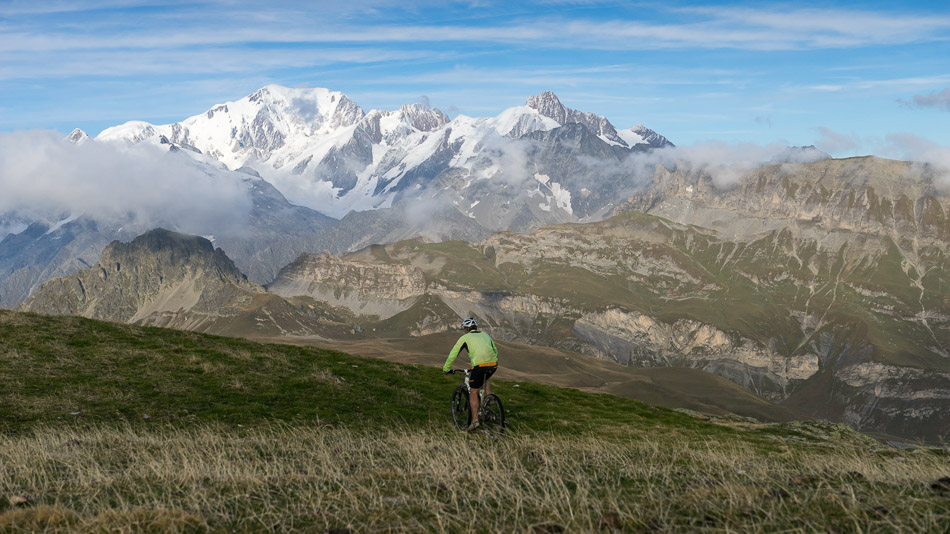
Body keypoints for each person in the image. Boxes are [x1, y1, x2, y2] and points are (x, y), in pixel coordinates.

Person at [443, 317, 498, 432]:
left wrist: (446, 368)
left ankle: (475, 421)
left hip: (479, 365)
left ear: (466, 329)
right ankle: (489, 399)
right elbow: (495, 350)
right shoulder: (485, 335)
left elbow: (453, 354)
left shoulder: (465, 338)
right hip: (493, 364)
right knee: (485, 377)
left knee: (473, 391)